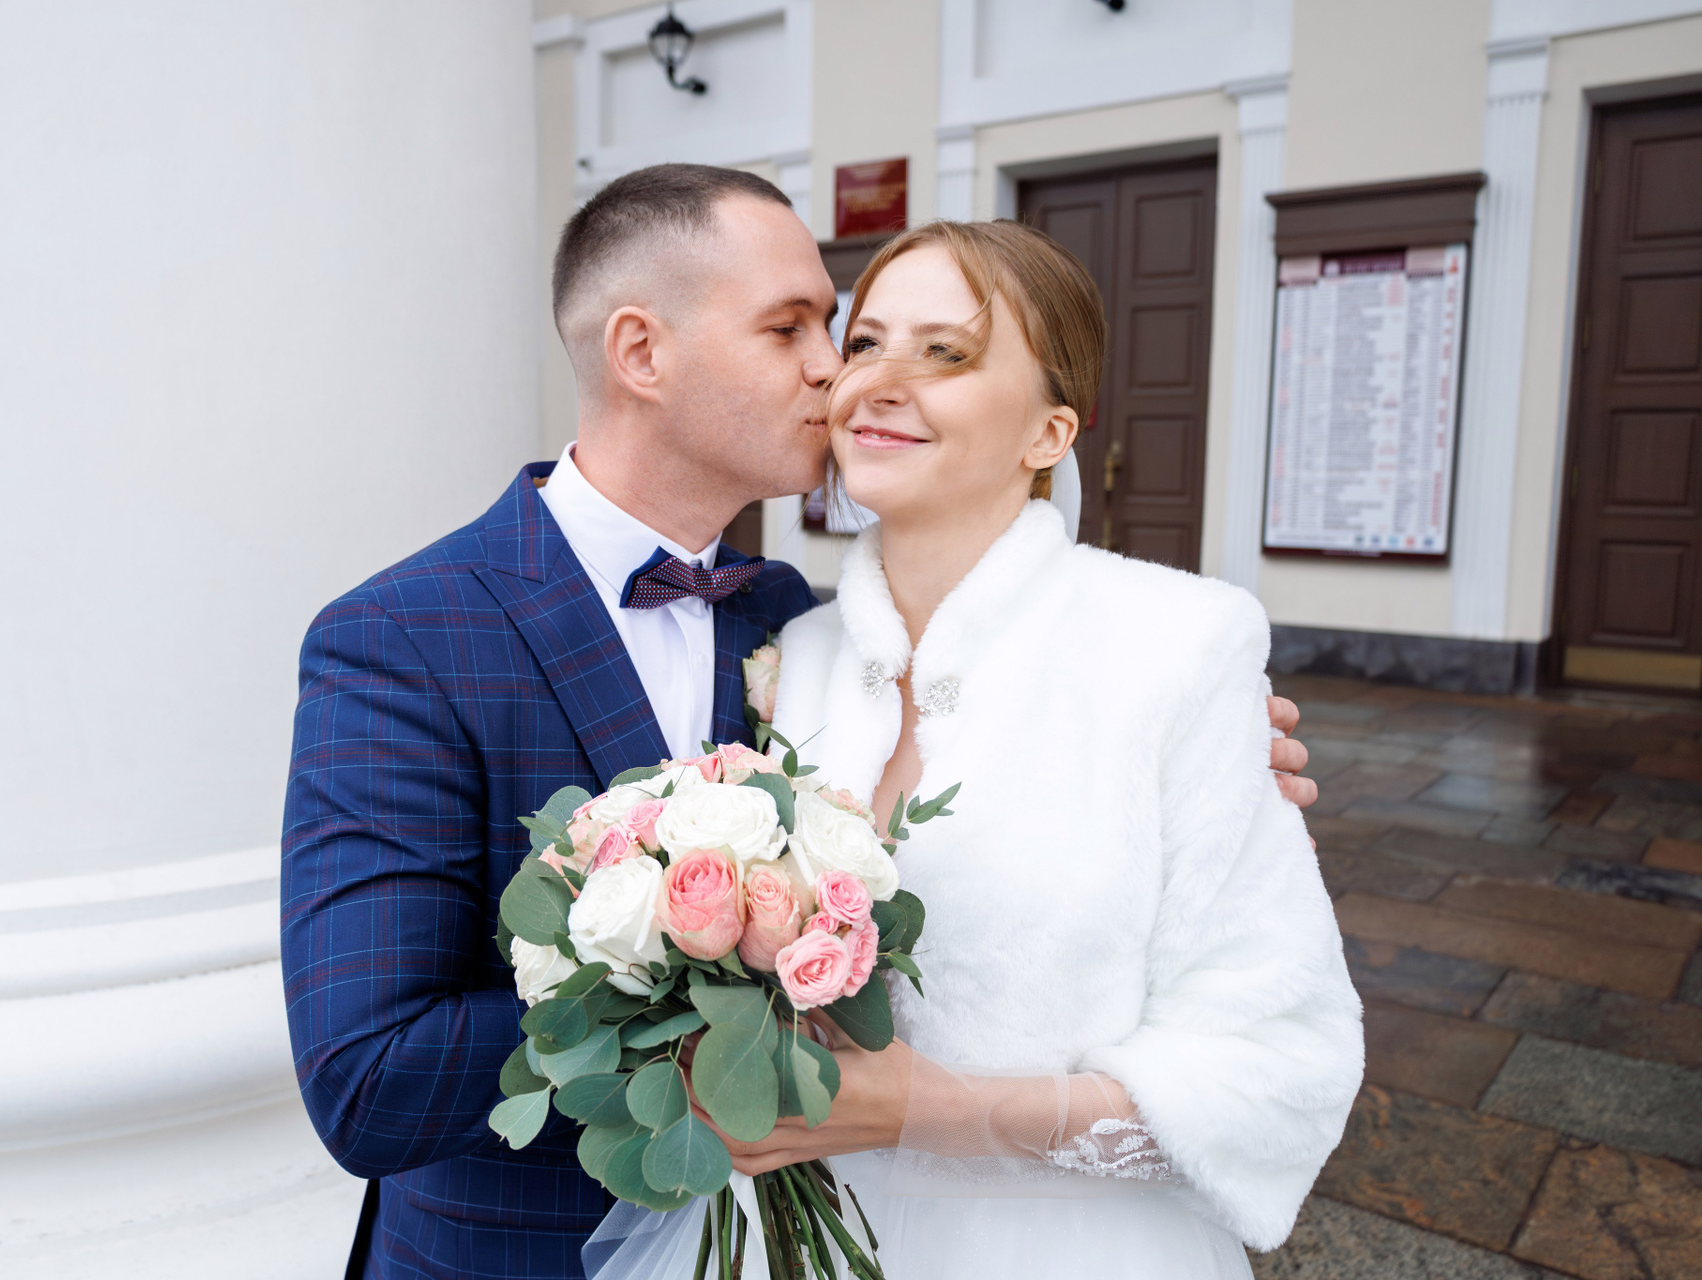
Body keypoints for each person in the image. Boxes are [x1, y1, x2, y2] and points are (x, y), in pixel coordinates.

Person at [281, 166, 1322, 1280]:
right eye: (797, 328)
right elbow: (367, 1075)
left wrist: (1193, 747)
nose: (837, 369)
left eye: (846, 330)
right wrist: (708, 994)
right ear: (641, 353)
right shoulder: (402, 634)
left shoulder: (790, 625)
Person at [686, 220, 1364, 1278]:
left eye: (946, 353)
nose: (879, 383)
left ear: (1051, 432)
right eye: (865, 343)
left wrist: (927, 1109)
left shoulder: (1181, 644)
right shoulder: (792, 656)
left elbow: (1275, 1068)